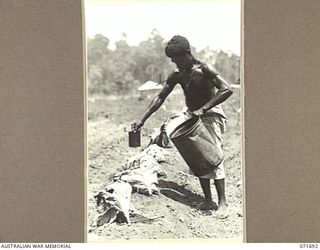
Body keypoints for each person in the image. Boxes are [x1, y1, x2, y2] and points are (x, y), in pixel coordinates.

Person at [132, 35, 233, 212]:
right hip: (192, 116)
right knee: (197, 157)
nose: (175, 63)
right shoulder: (177, 74)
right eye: (172, 60)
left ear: (187, 53)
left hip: (210, 115)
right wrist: (142, 119)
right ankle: (208, 200)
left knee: (212, 155)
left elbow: (226, 89)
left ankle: (222, 202)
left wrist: (204, 108)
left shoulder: (205, 69)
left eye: (177, 59)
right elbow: (160, 97)